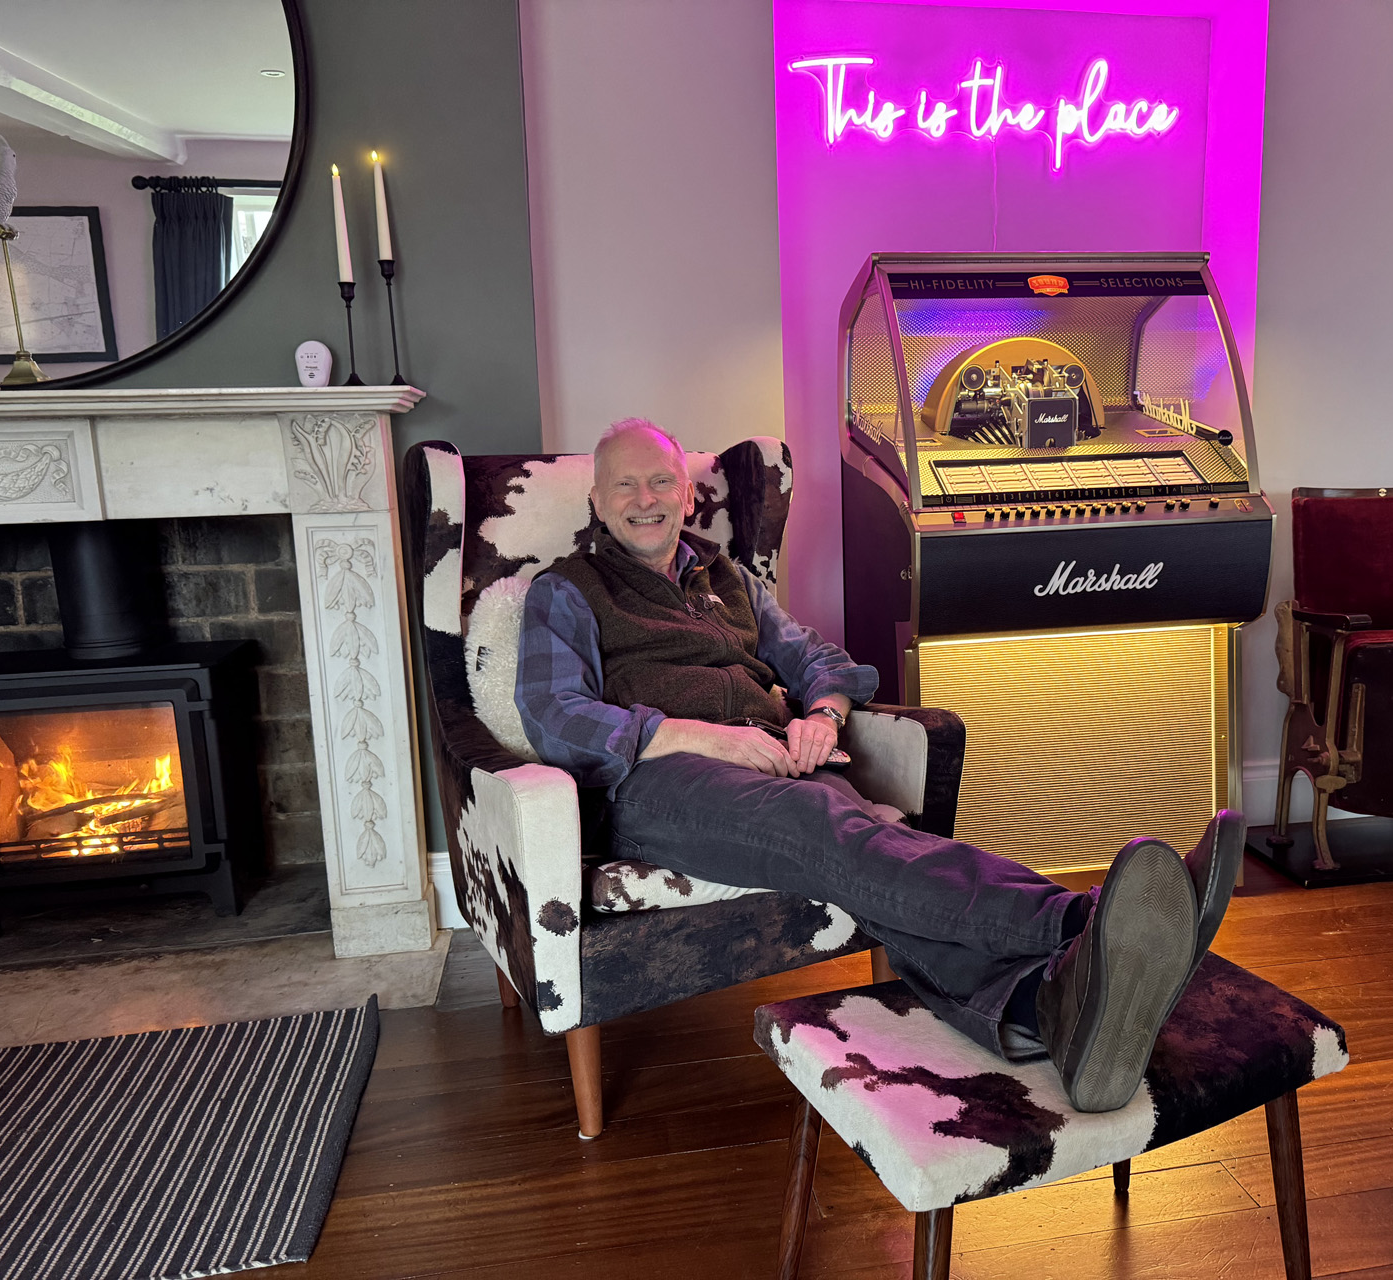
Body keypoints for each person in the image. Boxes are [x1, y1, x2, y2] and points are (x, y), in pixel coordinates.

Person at [516, 418, 1238, 1113]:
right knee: (829, 826)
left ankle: (1048, 1008)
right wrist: (699, 736)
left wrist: (820, 715)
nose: (646, 500)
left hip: (776, 761)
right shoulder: (569, 590)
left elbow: (819, 660)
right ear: (596, 501)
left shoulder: (727, 576)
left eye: (660, 482)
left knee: (875, 858)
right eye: (624, 486)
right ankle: (1087, 924)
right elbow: (554, 717)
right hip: (662, 784)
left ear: (685, 492)